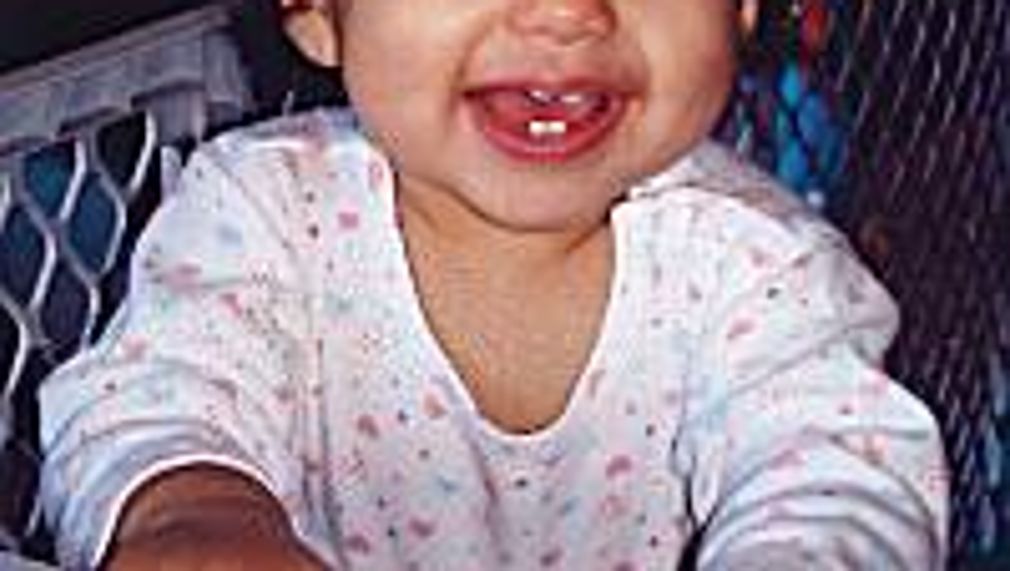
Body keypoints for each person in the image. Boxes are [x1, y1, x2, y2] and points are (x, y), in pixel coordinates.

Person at [38, 0, 949, 569]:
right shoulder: (262, 206)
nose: (565, 14)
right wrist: (194, 506)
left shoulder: (766, 268)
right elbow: (165, 393)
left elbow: (835, 474)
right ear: (314, 9)